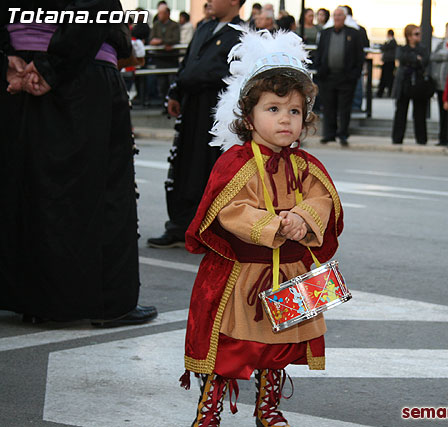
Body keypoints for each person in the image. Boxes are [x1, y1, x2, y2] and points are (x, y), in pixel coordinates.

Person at [179, 28, 343, 427]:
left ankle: (268, 407)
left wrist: (303, 218)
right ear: (248, 116)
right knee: (231, 347)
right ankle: (209, 410)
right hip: (244, 274)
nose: (285, 119)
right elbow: (228, 209)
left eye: (294, 111)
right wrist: (271, 224)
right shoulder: (236, 163)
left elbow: (324, 201)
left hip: (290, 272)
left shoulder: (304, 165)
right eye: (273, 109)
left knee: (280, 347)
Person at [0, 1, 157, 327]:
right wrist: (53, 66)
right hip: (80, 72)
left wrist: (6, 58)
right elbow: (93, 8)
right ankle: (107, 302)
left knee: (25, 183)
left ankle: (32, 298)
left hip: (18, 69)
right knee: (98, 190)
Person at [147, 0, 245, 248]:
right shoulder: (202, 28)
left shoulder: (242, 33)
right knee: (183, 166)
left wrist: (193, 78)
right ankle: (179, 225)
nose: (208, 1)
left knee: (207, 168)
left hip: (214, 112)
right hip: (191, 107)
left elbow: (226, 73)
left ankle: (209, 231)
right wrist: (176, 92)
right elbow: (188, 64)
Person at [315, 6, 365, 146]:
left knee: (344, 108)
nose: (337, 18)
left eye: (340, 15)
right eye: (335, 15)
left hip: (346, 78)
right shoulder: (325, 33)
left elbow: (359, 56)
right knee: (329, 106)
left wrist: (354, 74)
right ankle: (329, 134)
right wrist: (319, 69)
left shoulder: (353, 34)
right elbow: (320, 52)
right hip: (328, 76)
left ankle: (343, 134)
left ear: (345, 18)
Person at [391, 24, 430, 145]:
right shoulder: (402, 48)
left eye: (419, 34)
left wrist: (414, 59)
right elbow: (401, 58)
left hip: (418, 83)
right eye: (416, 34)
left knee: (420, 112)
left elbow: (425, 60)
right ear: (409, 36)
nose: (418, 36)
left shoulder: (422, 48)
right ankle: (397, 138)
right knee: (401, 111)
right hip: (404, 82)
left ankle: (421, 138)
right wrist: (415, 58)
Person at [376, 29, 397, 98]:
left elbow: (384, 47)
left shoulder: (392, 42)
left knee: (388, 78)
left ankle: (387, 93)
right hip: (387, 62)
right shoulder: (390, 42)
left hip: (389, 62)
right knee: (385, 78)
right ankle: (381, 92)